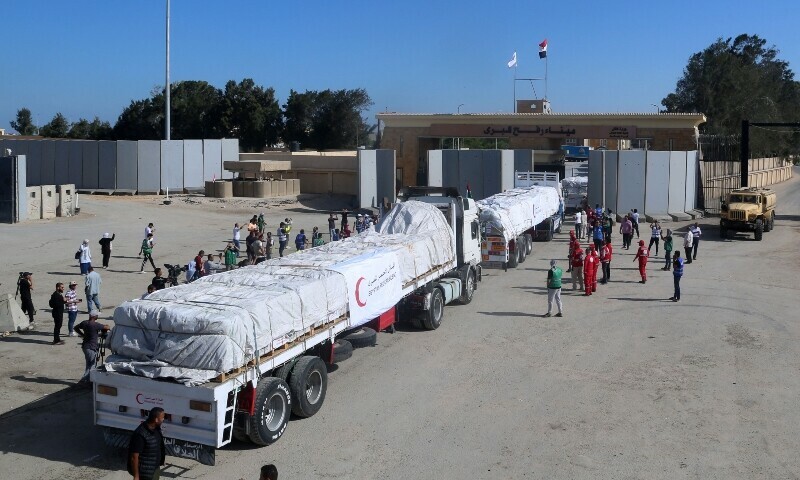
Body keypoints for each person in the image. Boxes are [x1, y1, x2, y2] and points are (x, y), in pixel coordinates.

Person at [128, 407, 167, 480]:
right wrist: (136, 476)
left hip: (154, 469)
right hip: (145, 473)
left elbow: (158, 445)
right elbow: (134, 457)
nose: (163, 419)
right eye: (162, 418)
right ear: (156, 419)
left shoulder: (156, 428)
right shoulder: (140, 434)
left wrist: (161, 459)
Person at [74, 309, 108, 384]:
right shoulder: (95, 325)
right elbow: (106, 327)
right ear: (94, 316)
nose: (97, 316)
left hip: (85, 346)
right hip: (91, 347)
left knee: (88, 364)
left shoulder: (84, 323)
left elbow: (75, 327)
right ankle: (85, 380)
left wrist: (82, 335)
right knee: (92, 365)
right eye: (97, 315)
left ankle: (87, 380)